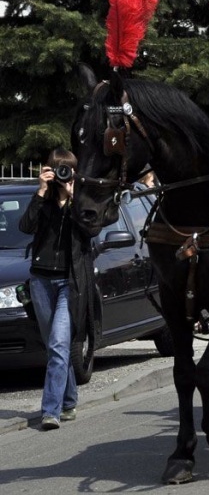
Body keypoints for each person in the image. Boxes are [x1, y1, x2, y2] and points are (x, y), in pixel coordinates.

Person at [18, 148, 96, 431]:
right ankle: (69, 400)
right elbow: (24, 227)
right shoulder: (43, 202)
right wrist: (40, 192)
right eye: (57, 169)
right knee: (55, 347)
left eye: (67, 170)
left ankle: (49, 411)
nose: (63, 175)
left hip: (69, 283)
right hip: (40, 281)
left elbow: (92, 232)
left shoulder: (81, 203)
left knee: (60, 345)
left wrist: (75, 200)